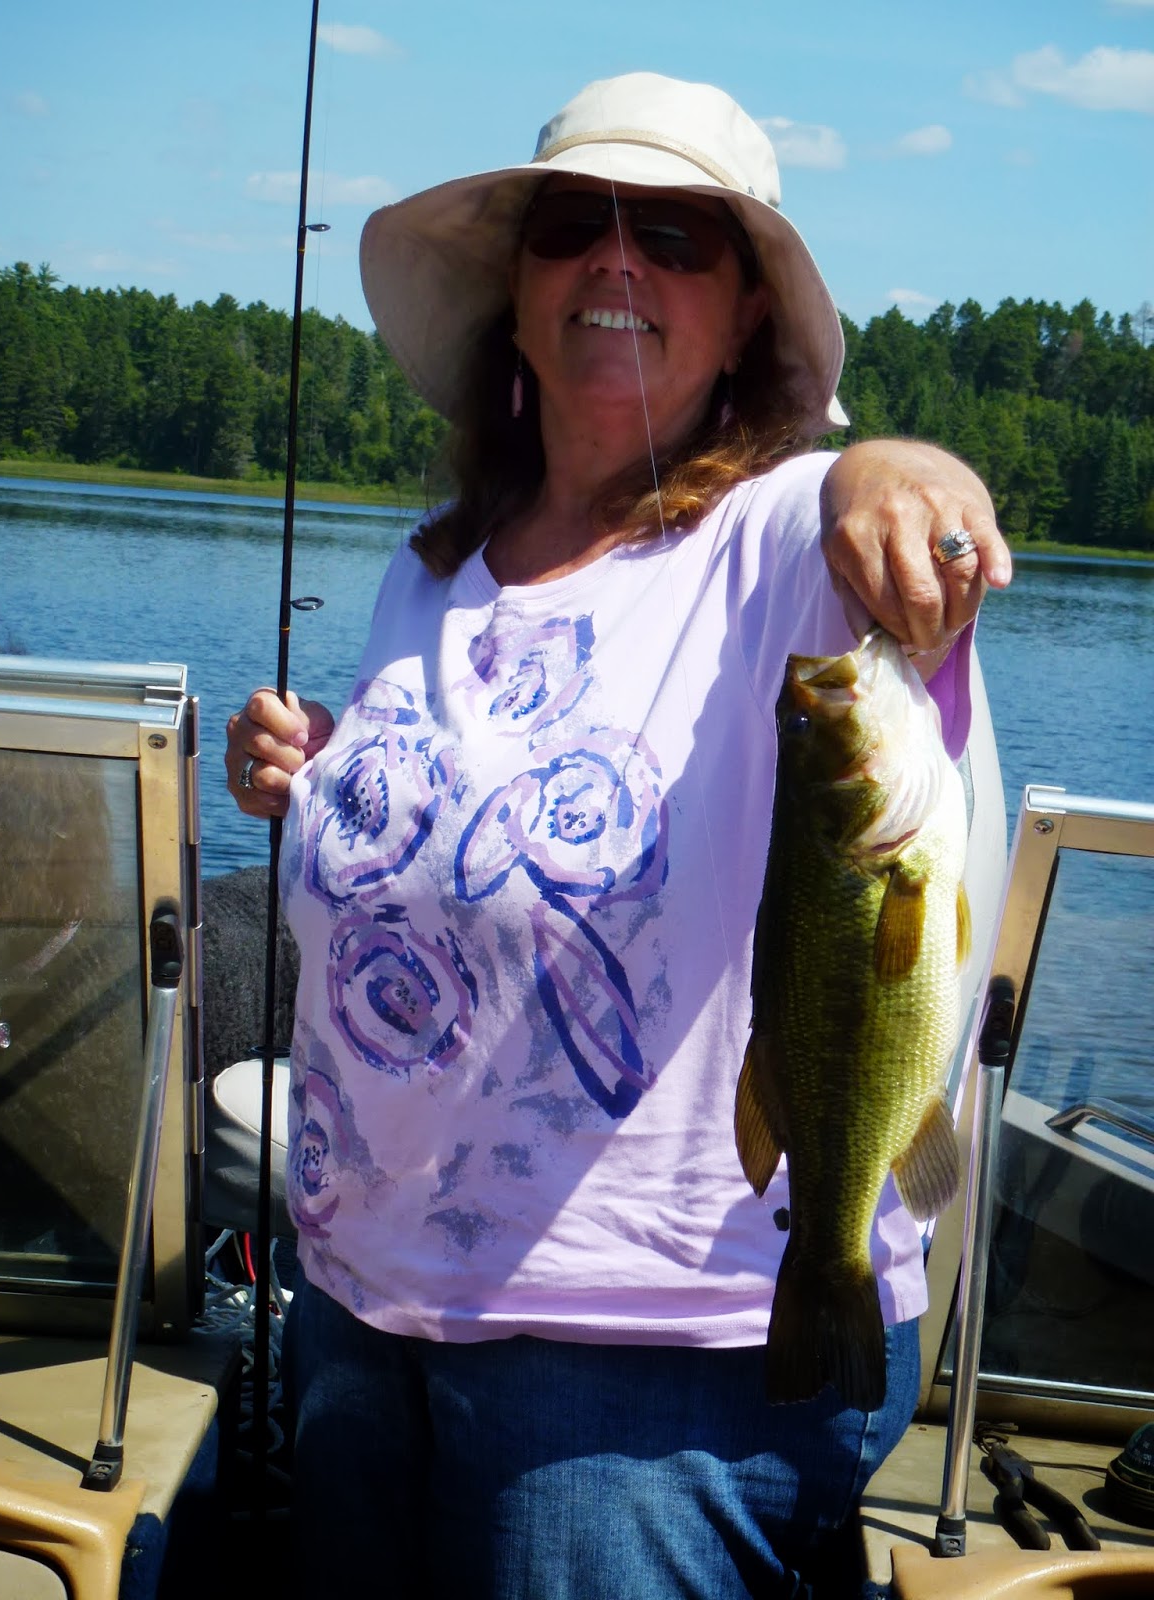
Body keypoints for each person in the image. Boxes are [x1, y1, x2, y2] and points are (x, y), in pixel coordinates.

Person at [225, 72, 1011, 1600]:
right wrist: (335, 780)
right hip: (361, 1311)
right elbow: (489, 814)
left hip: (646, 1373)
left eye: (677, 237)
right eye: (574, 223)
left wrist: (908, 483)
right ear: (516, 293)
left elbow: (883, 494)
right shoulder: (429, 572)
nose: (616, 259)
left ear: (749, 316)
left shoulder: (776, 545)